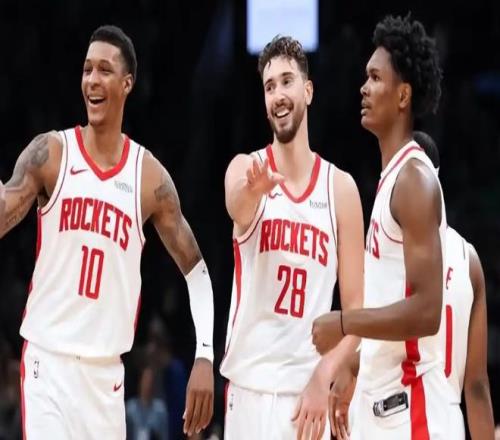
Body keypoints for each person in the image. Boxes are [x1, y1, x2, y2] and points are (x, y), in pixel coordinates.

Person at [0, 25, 214, 439]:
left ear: (127, 83)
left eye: (104, 70)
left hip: (106, 380)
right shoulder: (51, 153)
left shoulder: (148, 178)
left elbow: (197, 271)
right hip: (48, 365)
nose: (92, 80)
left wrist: (204, 354)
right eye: (86, 70)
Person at [311, 14, 451, 439]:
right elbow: (391, 303)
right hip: (384, 406)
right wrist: (355, 365)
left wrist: (345, 323)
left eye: (375, 78)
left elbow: (426, 312)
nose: (363, 88)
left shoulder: (414, 180)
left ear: (403, 94)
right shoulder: (392, 178)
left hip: (411, 413)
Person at [220, 35, 364, 439]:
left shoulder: (340, 189)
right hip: (248, 392)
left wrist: (325, 374)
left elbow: (357, 312)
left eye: (287, 81)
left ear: (308, 91)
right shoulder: (246, 168)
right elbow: (236, 205)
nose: (278, 95)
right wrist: (253, 190)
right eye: (269, 87)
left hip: (307, 401)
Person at [413, 131, 495, 439]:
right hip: (447, 421)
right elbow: (476, 386)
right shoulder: (468, 259)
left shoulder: (386, 248)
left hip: (397, 418)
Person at [126, 366, 168, 440]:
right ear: (140, 382)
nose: (148, 385)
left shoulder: (160, 410)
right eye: (146, 380)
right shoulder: (130, 408)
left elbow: (164, 436)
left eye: (151, 381)